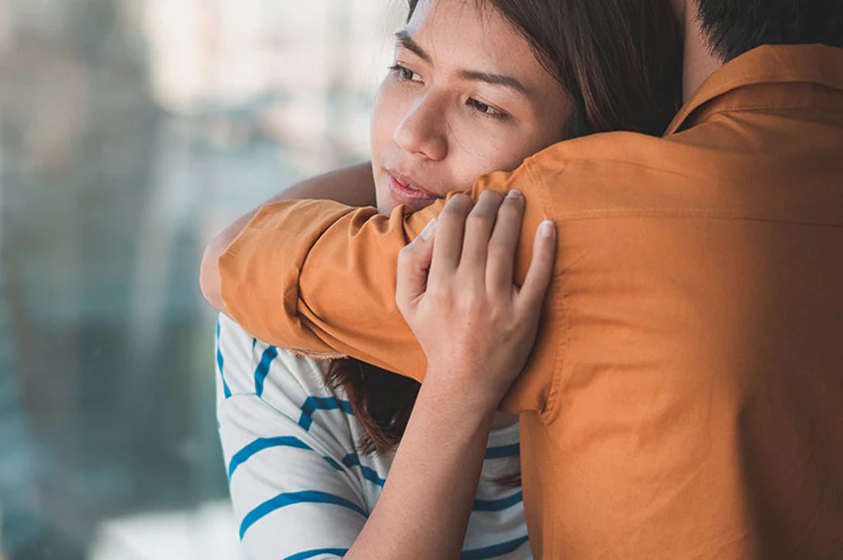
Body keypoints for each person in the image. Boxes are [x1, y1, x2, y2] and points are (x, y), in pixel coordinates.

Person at [203, 0, 843, 557]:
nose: (410, 131)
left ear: (594, 155)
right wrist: (459, 387)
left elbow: (230, 257)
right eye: (405, 70)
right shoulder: (282, 341)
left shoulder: (604, 261)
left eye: (483, 104)